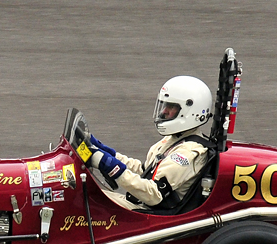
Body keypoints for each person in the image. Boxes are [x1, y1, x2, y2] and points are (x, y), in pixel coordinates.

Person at [83, 76, 214, 208]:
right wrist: (109, 155)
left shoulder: (187, 152)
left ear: (190, 112)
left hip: (150, 214)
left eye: (171, 107)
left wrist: (113, 168)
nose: (164, 111)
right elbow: (145, 171)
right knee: (81, 193)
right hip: (141, 206)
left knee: (81, 202)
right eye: (165, 105)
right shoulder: (175, 139)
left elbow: (154, 194)